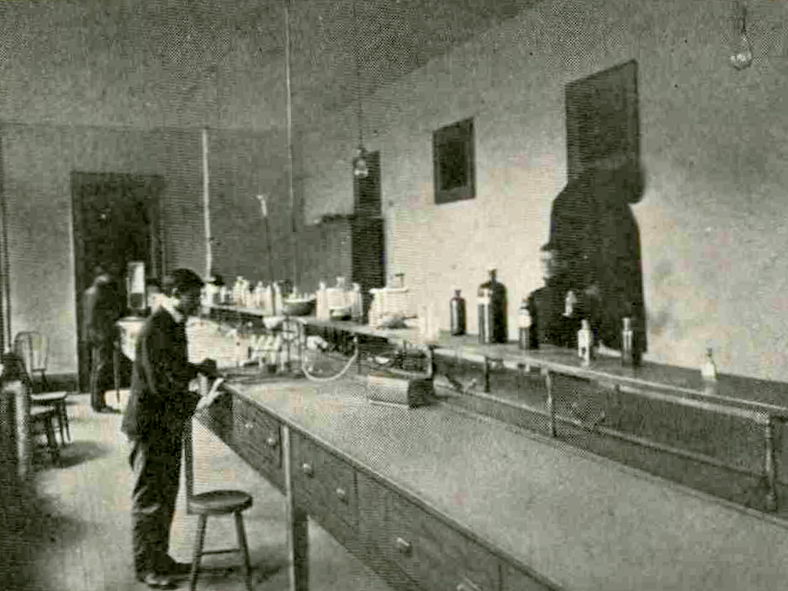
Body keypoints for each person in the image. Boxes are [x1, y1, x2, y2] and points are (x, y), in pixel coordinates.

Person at [121, 268, 219, 589]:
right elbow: (160, 383)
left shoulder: (171, 323)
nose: (198, 301)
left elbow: (170, 367)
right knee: (150, 499)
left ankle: (160, 559)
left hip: (163, 424)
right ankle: (147, 567)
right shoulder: (156, 327)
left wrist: (196, 368)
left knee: (165, 495)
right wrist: (199, 400)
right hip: (150, 425)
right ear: (176, 293)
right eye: (194, 295)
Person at [527, 243, 598, 349]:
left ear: (563, 263)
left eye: (552, 260)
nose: (547, 265)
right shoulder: (535, 297)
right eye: (543, 260)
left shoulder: (578, 294)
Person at [83, 264, 122, 413]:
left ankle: (97, 402)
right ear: (101, 276)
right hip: (101, 335)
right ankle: (99, 404)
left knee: (98, 369)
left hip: (96, 335)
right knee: (101, 369)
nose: (110, 279)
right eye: (108, 276)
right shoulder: (98, 292)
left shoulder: (91, 292)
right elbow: (94, 318)